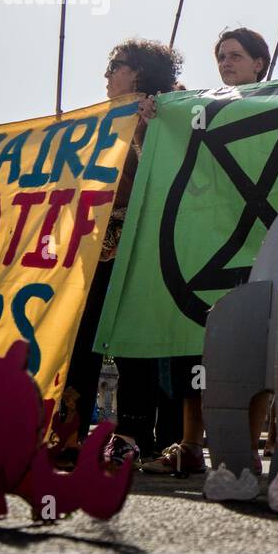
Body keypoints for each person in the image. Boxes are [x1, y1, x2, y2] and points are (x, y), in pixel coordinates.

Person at [140, 28, 274, 476]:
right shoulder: (199, 110)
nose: (225, 63)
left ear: (260, 63)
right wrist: (155, 124)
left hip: (260, 245)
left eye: (235, 55)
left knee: (255, 347)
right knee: (192, 346)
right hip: (205, 244)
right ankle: (191, 445)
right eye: (220, 56)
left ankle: (246, 449)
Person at [59, 38, 183, 468]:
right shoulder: (100, 121)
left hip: (144, 245)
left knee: (134, 343)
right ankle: (67, 433)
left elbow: (171, 175)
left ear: (142, 72)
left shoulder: (171, 111)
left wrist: (151, 126)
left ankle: (131, 437)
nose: (107, 74)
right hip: (94, 249)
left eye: (117, 65)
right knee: (82, 340)